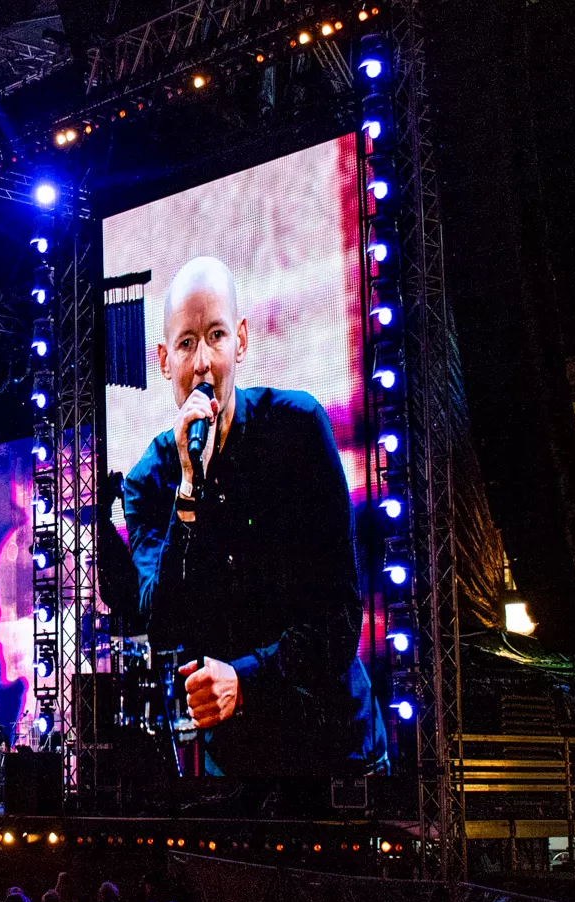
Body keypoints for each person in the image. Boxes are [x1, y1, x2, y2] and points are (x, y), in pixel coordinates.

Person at [121, 256, 386, 776]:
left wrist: (245, 680)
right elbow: (163, 623)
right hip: (238, 766)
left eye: (216, 336)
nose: (203, 362)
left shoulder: (297, 431)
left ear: (240, 341)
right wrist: (188, 490)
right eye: (187, 343)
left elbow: (338, 619)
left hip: (335, 750)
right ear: (164, 360)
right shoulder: (150, 481)